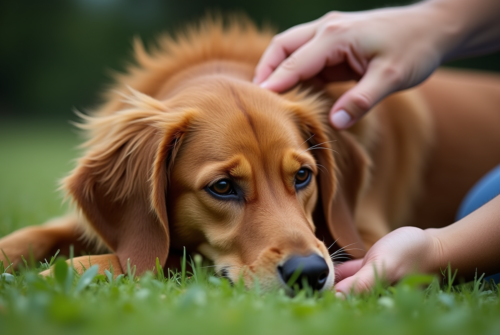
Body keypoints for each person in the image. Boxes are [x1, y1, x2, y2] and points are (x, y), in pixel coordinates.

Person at [254, 0, 500, 295]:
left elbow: (357, 243)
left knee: (482, 203)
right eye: (224, 185)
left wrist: (439, 251)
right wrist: (428, 24)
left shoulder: (325, 131)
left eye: (302, 175)